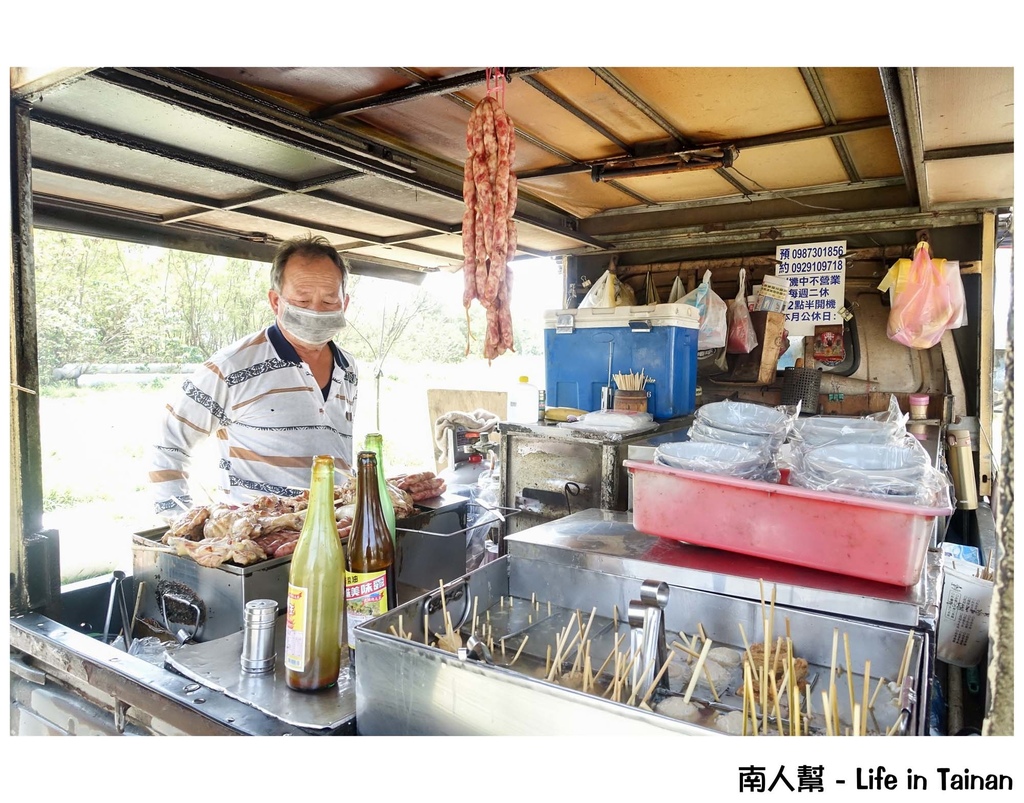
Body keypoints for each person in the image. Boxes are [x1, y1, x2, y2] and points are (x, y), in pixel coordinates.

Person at [149, 234, 358, 517]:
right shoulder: (231, 367)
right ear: (276, 301)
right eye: (303, 300)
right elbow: (169, 441)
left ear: (344, 303)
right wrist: (179, 522)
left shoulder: (348, 367)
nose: (316, 311)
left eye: (329, 301)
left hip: (337, 527)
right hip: (263, 540)